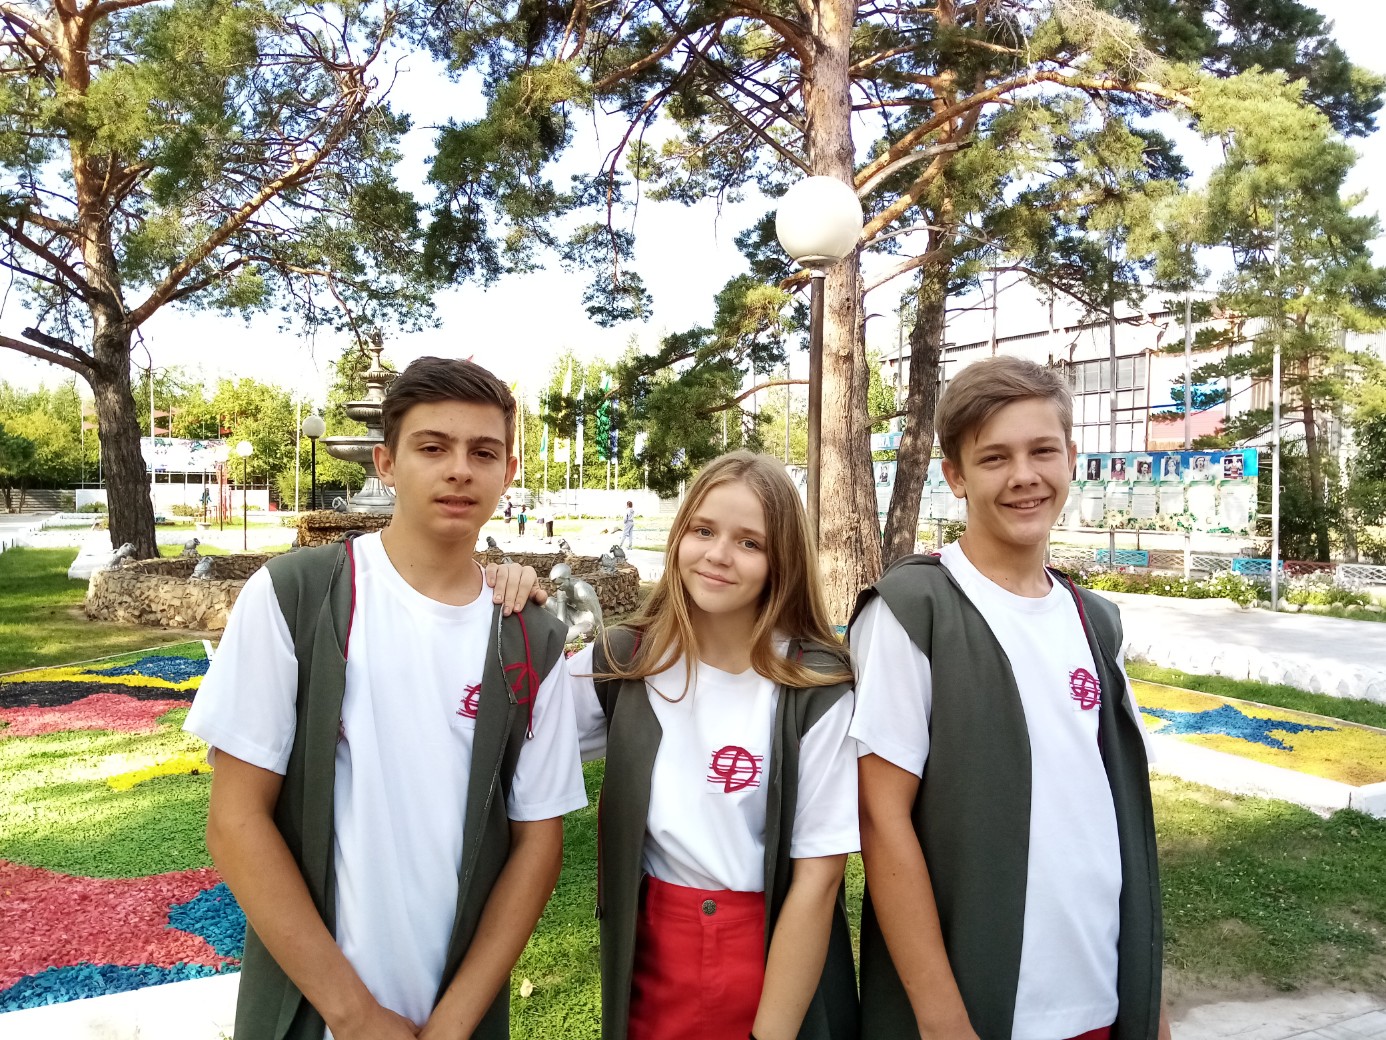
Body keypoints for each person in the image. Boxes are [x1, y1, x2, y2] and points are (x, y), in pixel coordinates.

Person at [186, 357, 587, 1040]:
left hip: (457, 1013)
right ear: (387, 462)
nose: (459, 470)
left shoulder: (530, 639)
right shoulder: (296, 596)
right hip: (315, 1012)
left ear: (508, 472)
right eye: (432, 447)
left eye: (483, 452)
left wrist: (455, 1022)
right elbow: (235, 821)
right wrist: (356, 1015)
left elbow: (537, 843)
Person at [850, 356, 1169, 1040]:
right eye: (994, 457)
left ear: (1071, 458)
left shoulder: (1096, 622)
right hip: (983, 1008)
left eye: (1042, 450)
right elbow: (882, 819)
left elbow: (1116, 820)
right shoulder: (915, 610)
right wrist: (942, 1019)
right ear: (955, 475)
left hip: (1101, 997)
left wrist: (1151, 1000)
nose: (1024, 475)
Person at [570, 451, 860, 1040]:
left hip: (770, 955)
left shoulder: (815, 687)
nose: (719, 555)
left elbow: (819, 880)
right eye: (703, 530)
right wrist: (498, 591)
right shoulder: (626, 658)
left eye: (750, 542)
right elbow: (501, 734)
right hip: (649, 958)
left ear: (782, 560)